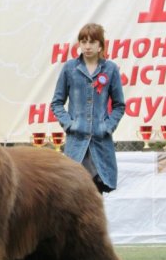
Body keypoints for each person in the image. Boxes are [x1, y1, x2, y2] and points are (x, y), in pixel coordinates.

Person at [51, 23, 125, 193]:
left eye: (92, 42)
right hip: (76, 145)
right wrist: (70, 124)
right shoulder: (70, 68)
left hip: (100, 145)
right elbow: (57, 103)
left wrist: (107, 126)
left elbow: (119, 105)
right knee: (74, 195)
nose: (87, 46)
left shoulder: (111, 69)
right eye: (83, 41)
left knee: (97, 197)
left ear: (100, 45)